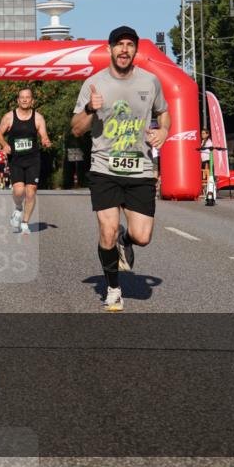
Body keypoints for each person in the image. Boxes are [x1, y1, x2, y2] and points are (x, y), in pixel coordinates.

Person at [71, 26, 170, 313]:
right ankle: (113, 288)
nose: (124, 49)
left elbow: (164, 112)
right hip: (104, 167)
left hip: (139, 169)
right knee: (107, 229)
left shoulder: (150, 82)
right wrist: (90, 108)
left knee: (142, 237)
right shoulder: (94, 83)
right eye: (119, 45)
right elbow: (76, 128)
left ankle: (126, 240)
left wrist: (163, 131)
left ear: (136, 50)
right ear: (109, 49)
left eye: (129, 45)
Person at [0, 87, 52, 234]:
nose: (25, 99)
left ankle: (25, 223)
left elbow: (43, 135)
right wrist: (4, 145)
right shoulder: (9, 117)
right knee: (19, 191)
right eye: (22, 97)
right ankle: (18, 208)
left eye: (28, 97)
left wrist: (46, 140)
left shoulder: (38, 118)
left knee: (31, 191)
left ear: (32, 100)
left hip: (33, 159)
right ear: (18, 100)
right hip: (16, 159)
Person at [199, 128, 212, 195]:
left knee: (206, 174)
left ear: (207, 134)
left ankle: (207, 187)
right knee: (203, 174)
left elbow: (210, 151)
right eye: (201, 133)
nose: (202, 135)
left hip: (206, 160)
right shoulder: (202, 141)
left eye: (203, 133)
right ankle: (203, 188)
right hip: (202, 160)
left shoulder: (209, 142)